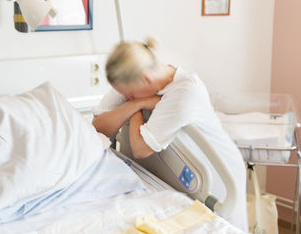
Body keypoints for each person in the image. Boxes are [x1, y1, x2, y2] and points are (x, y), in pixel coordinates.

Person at [92, 37, 248, 232]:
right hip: (185, 174)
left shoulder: (185, 92)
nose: (126, 97)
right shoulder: (132, 79)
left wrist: (130, 108)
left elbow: (140, 148)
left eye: (130, 95)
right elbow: (98, 127)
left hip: (220, 173)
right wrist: (136, 104)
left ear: (146, 79)